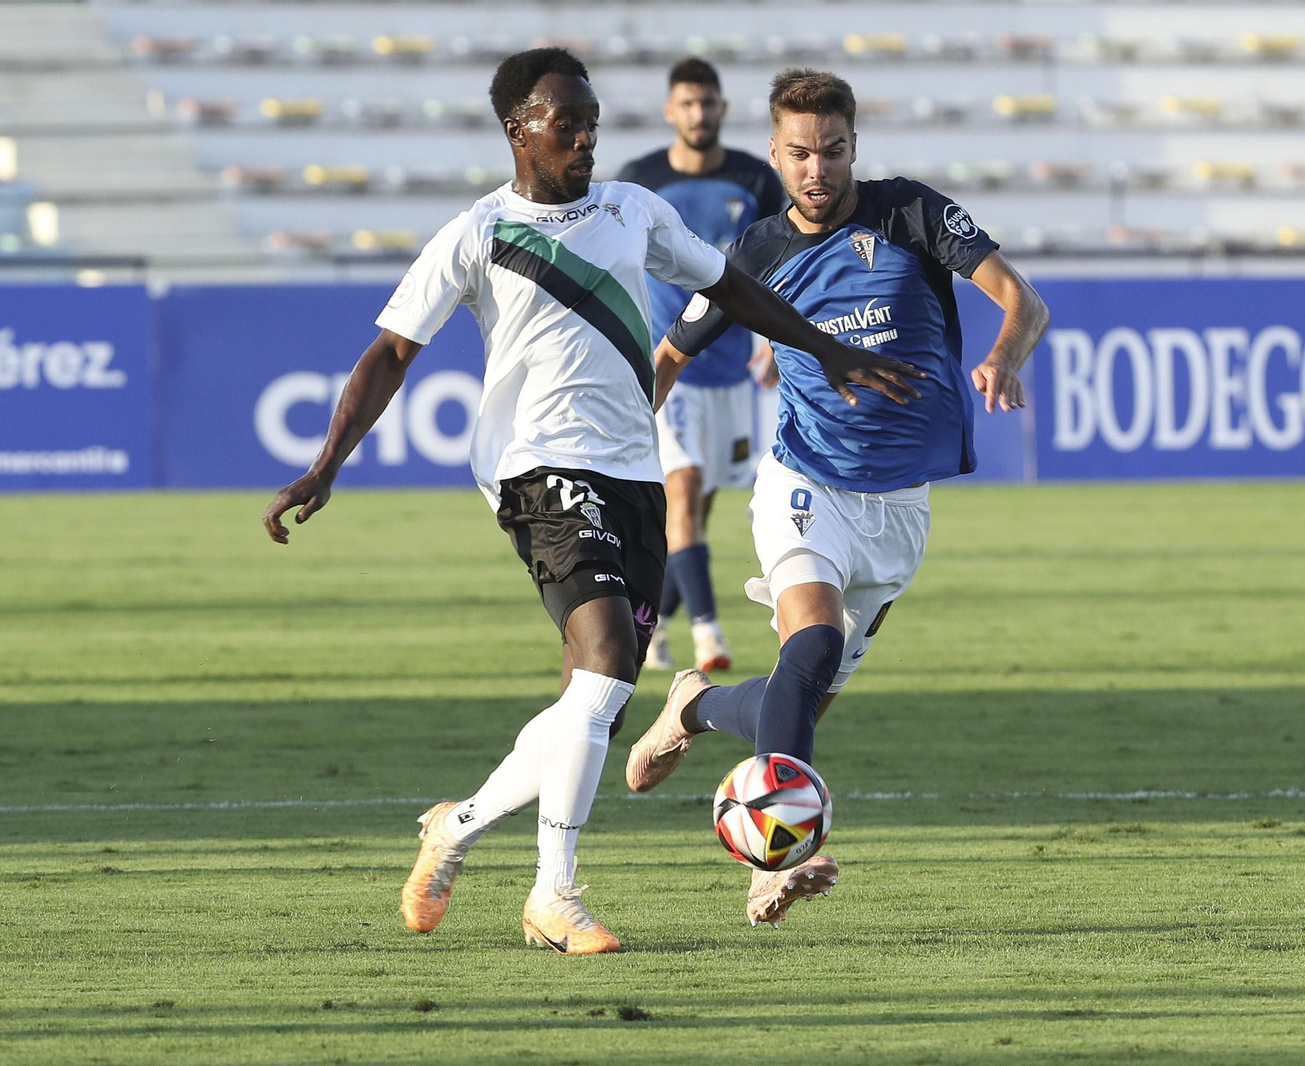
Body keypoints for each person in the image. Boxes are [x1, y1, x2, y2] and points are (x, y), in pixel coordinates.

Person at [261, 49, 920, 954]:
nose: (583, 139)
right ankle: (554, 895)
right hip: (536, 470)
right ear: (517, 130)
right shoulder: (478, 233)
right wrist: (326, 464)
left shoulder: (631, 210)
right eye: (564, 124)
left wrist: (828, 349)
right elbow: (390, 353)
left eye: (591, 123)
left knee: (593, 699)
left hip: (633, 475)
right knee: (609, 661)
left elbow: (729, 287)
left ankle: (456, 826)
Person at [624, 68, 1050, 929]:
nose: (816, 170)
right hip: (805, 481)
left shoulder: (909, 214)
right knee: (811, 643)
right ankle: (774, 865)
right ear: (775, 153)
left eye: (832, 151)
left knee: (799, 697)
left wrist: (1003, 356)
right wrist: (623, 453)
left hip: (899, 512)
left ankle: (693, 705)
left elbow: (1022, 301)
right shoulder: (755, 255)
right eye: (799, 154)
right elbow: (668, 356)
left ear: (855, 146)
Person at [616, 57, 785, 675]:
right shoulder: (640, 181)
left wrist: (773, 339)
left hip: (730, 369)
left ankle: (648, 626)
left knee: (694, 519)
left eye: (707, 102)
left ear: (722, 108)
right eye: (687, 103)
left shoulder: (754, 178)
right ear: (671, 111)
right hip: (668, 363)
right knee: (682, 496)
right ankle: (709, 636)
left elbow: (781, 260)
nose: (698, 113)